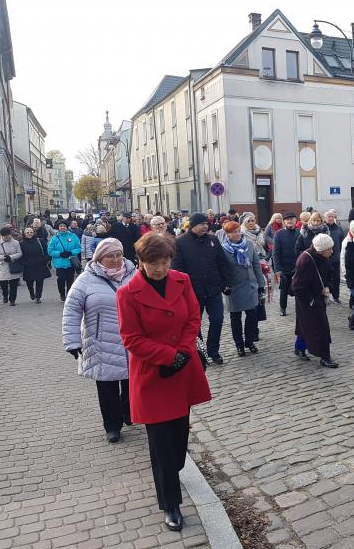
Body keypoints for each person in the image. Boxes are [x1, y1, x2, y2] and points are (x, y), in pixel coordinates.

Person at [117, 233, 211, 532]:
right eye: (153, 263)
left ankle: (174, 472)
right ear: (140, 262)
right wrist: (168, 357)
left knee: (179, 437)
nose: (159, 268)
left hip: (182, 370)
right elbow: (131, 338)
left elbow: (193, 318)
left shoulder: (182, 281)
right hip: (153, 374)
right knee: (161, 446)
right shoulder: (127, 294)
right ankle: (170, 503)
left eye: (165, 262)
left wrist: (182, 352)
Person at [63, 238, 137, 443]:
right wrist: (72, 341)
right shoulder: (86, 280)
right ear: (99, 258)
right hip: (100, 341)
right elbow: (71, 310)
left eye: (118, 254)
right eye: (109, 256)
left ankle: (129, 412)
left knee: (132, 381)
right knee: (107, 387)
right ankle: (112, 425)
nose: (115, 259)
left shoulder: (135, 274)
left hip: (132, 340)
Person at [171, 212, 232, 365]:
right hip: (192, 291)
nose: (205, 226)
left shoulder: (213, 240)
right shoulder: (180, 242)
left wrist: (227, 282)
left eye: (206, 224)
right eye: (201, 224)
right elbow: (177, 268)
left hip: (213, 289)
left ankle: (213, 350)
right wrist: (182, 289)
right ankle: (200, 352)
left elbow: (222, 262)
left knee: (217, 319)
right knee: (194, 324)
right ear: (192, 225)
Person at [291, 233, 338, 368]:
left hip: (318, 298)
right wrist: (312, 300)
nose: (332, 251)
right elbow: (297, 287)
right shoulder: (305, 260)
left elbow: (330, 273)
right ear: (320, 250)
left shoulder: (323, 257)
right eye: (329, 249)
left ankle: (299, 348)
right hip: (308, 301)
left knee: (306, 326)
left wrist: (328, 287)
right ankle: (325, 356)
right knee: (321, 328)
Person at [221, 221, 264, 356]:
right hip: (234, 287)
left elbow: (256, 265)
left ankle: (249, 342)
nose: (237, 234)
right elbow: (221, 269)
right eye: (233, 232)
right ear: (227, 234)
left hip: (250, 285)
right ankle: (239, 345)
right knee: (235, 317)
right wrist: (224, 285)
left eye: (238, 231)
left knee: (252, 315)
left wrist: (260, 284)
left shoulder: (248, 244)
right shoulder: (223, 249)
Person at [272, 213, 300, 317]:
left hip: (298, 266)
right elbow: (276, 253)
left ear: (295, 220)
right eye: (287, 219)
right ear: (284, 222)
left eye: (292, 219)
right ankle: (282, 308)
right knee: (284, 289)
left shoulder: (300, 233)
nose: (289, 221)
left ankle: (300, 308)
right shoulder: (279, 234)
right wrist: (277, 269)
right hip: (284, 267)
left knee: (298, 289)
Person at [48, 221, 82, 301]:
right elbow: (50, 251)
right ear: (58, 227)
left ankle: (69, 295)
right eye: (61, 226)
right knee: (61, 279)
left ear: (67, 227)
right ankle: (62, 293)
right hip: (59, 263)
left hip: (71, 262)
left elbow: (78, 248)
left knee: (70, 280)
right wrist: (59, 254)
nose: (62, 227)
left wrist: (71, 252)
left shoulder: (73, 236)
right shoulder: (54, 238)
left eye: (64, 226)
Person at [19, 227, 51, 303]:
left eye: (31, 232)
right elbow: (20, 255)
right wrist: (24, 263)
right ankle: (31, 292)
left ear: (34, 233)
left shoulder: (40, 241)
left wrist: (45, 260)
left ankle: (38, 297)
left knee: (40, 281)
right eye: (27, 233)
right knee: (29, 282)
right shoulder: (21, 243)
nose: (29, 234)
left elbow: (47, 251)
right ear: (24, 234)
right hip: (28, 266)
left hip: (40, 264)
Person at [0, 226, 22, 306]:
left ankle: (12, 300)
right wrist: (3, 257)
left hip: (13, 265)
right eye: (4, 236)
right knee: (3, 283)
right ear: (1, 236)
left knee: (14, 284)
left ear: (10, 234)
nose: (6, 237)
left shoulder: (16, 243)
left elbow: (19, 253)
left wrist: (11, 257)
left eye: (8, 235)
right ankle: (5, 295)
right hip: (2, 266)